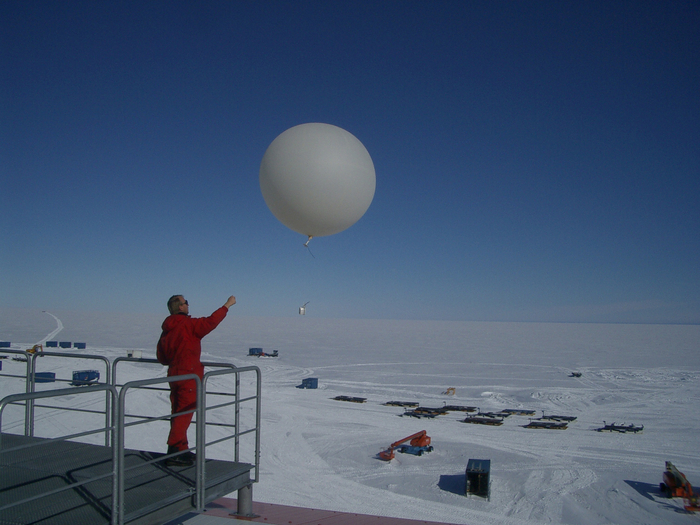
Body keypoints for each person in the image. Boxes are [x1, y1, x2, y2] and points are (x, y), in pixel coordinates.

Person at [157, 294, 236, 466]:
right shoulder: (188, 325)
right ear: (180, 307)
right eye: (186, 303)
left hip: (174, 375)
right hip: (189, 376)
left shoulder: (167, 329)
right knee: (184, 413)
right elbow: (210, 322)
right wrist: (227, 305)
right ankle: (173, 451)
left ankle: (181, 449)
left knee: (178, 412)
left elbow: (162, 357)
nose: (188, 305)